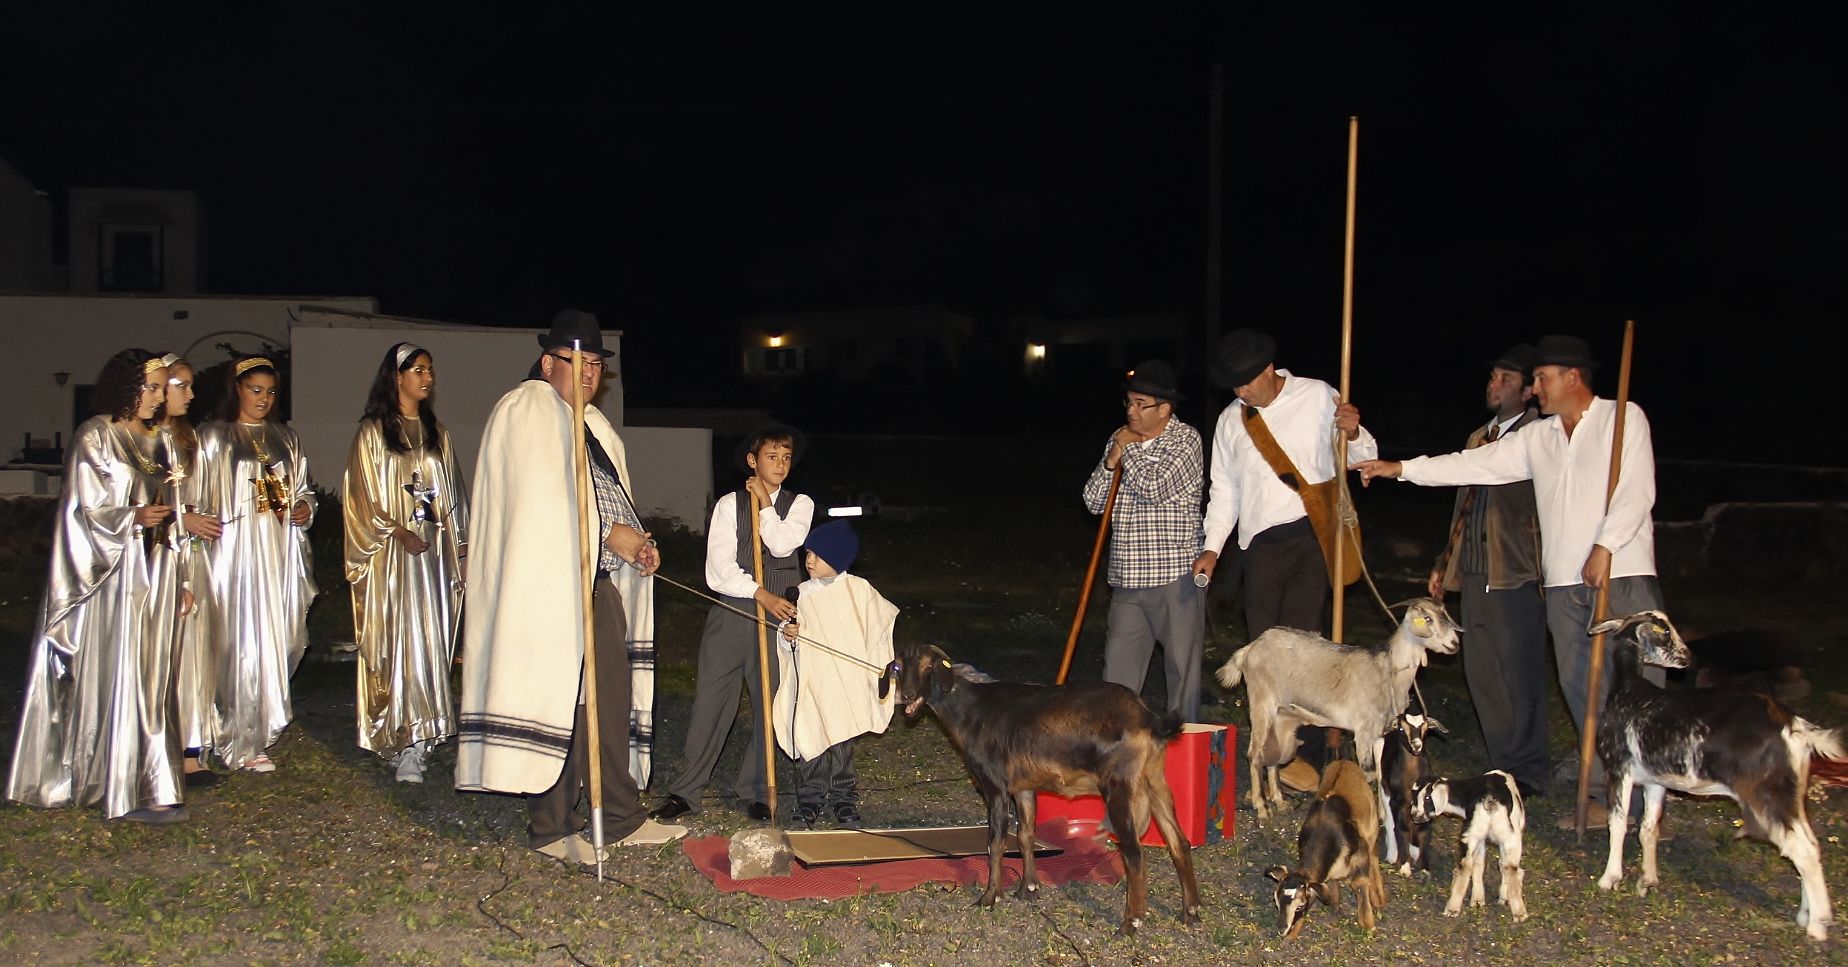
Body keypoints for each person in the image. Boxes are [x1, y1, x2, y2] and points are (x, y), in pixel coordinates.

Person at [1354, 334, 1664, 827]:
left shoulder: (1622, 419)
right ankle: (1609, 794)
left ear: (1572, 377)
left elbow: (1636, 490)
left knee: (1638, 690)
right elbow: (1473, 464)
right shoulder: (1538, 439)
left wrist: (1606, 546)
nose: (1536, 389)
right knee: (1584, 690)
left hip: (1622, 572)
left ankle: (1651, 806)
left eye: (1542, 378)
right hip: (1564, 581)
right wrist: (1401, 469)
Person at [456, 309, 683, 863]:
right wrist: (603, 535)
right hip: (545, 590)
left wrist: (632, 545)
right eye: (575, 361)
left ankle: (621, 817)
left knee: (606, 701)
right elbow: (537, 506)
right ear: (547, 360)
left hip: (597, 587)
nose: (587, 373)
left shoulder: (595, 427)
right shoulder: (526, 410)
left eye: (596, 365)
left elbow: (606, 505)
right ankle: (553, 828)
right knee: (555, 698)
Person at [5, 349, 191, 822]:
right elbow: (82, 509)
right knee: (120, 672)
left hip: (155, 571)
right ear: (126, 387)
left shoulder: (162, 442)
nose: (156, 396)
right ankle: (116, 784)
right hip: (110, 575)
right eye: (150, 387)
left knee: (152, 679)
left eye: (160, 387)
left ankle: (152, 779)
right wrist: (131, 518)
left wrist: (183, 572)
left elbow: (175, 510)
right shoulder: (97, 435)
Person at [1192, 329, 1376, 791]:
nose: (1240, 393)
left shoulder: (1316, 396)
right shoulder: (1232, 421)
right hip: (1258, 544)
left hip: (1312, 535)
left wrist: (1352, 431)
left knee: (1305, 647)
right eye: (1232, 386)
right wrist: (1212, 547)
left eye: (1246, 382)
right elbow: (1225, 490)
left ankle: (1304, 752)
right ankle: (1273, 745)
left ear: (1269, 370)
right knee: (1264, 648)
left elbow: (1362, 457)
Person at [649, 423, 814, 823]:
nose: (780, 465)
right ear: (752, 461)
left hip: (778, 622)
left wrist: (766, 505)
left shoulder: (800, 504)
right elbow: (718, 571)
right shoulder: (727, 505)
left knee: (769, 705)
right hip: (733, 613)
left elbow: (781, 545)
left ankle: (757, 789)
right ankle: (687, 791)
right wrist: (760, 594)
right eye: (771, 457)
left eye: (786, 458)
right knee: (710, 703)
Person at [342, 343, 470, 783]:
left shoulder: (439, 435)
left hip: (433, 560)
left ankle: (429, 730)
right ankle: (403, 739)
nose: (427, 378)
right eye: (418, 370)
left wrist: (464, 549)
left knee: (431, 642)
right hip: (394, 560)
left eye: (430, 370)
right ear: (396, 378)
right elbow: (361, 498)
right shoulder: (374, 434)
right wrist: (396, 531)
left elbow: (454, 499)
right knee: (402, 641)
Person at [1425, 343, 1549, 799]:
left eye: (1505, 379)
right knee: (1482, 674)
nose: (1494, 385)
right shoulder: (1480, 437)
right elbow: (1463, 507)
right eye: (1493, 377)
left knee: (1520, 674)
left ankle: (1530, 768)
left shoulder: (1541, 436)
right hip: (1476, 571)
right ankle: (1503, 765)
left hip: (1517, 570)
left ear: (1529, 391)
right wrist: (1445, 562)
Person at [195, 354, 318, 773]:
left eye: (270, 392)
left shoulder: (286, 438)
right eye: (255, 390)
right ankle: (235, 736)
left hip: (277, 552)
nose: (263, 399)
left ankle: (260, 725)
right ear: (237, 390)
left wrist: (304, 508)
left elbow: (301, 489)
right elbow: (193, 493)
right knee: (237, 643)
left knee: (281, 639)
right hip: (235, 554)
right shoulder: (213, 437)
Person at [1081, 359, 1206, 720]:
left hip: (1174, 578)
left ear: (1165, 409)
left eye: (1141, 404)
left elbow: (1153, 487)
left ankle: (1183, 761)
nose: (1132, 411)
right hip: (1127, 579)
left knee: (1182, 679)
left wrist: (1127, 449)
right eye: (1129, 403)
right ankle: (1119, 760)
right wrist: (1110, 460)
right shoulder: (1120, 440)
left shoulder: (1185, 441)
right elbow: (1092, 501)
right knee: (1116, 686)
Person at [770, 520, 897, 827]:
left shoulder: (859, 590)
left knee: (841, 742)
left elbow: (881, 623)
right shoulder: (800, 594)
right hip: (814, 683)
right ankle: (810, 800)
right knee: (809, 736)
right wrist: (788, 635)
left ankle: (844, 799)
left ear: (838, 558)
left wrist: (874, 666)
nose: (809, 560)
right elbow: (785, 634)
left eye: (817, 554)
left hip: (845, 684)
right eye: (808, 553)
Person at [157, 354, 227, 787]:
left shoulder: (189, 439)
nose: (191, 393)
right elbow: (142, 504)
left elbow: (202, 494)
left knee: (197, 652)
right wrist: (181, 519)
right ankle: (162, 747)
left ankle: (191, 746)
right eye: (181, 384)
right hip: (162, 556)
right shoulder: (140, 441)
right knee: (168, 654)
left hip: (194, 556)